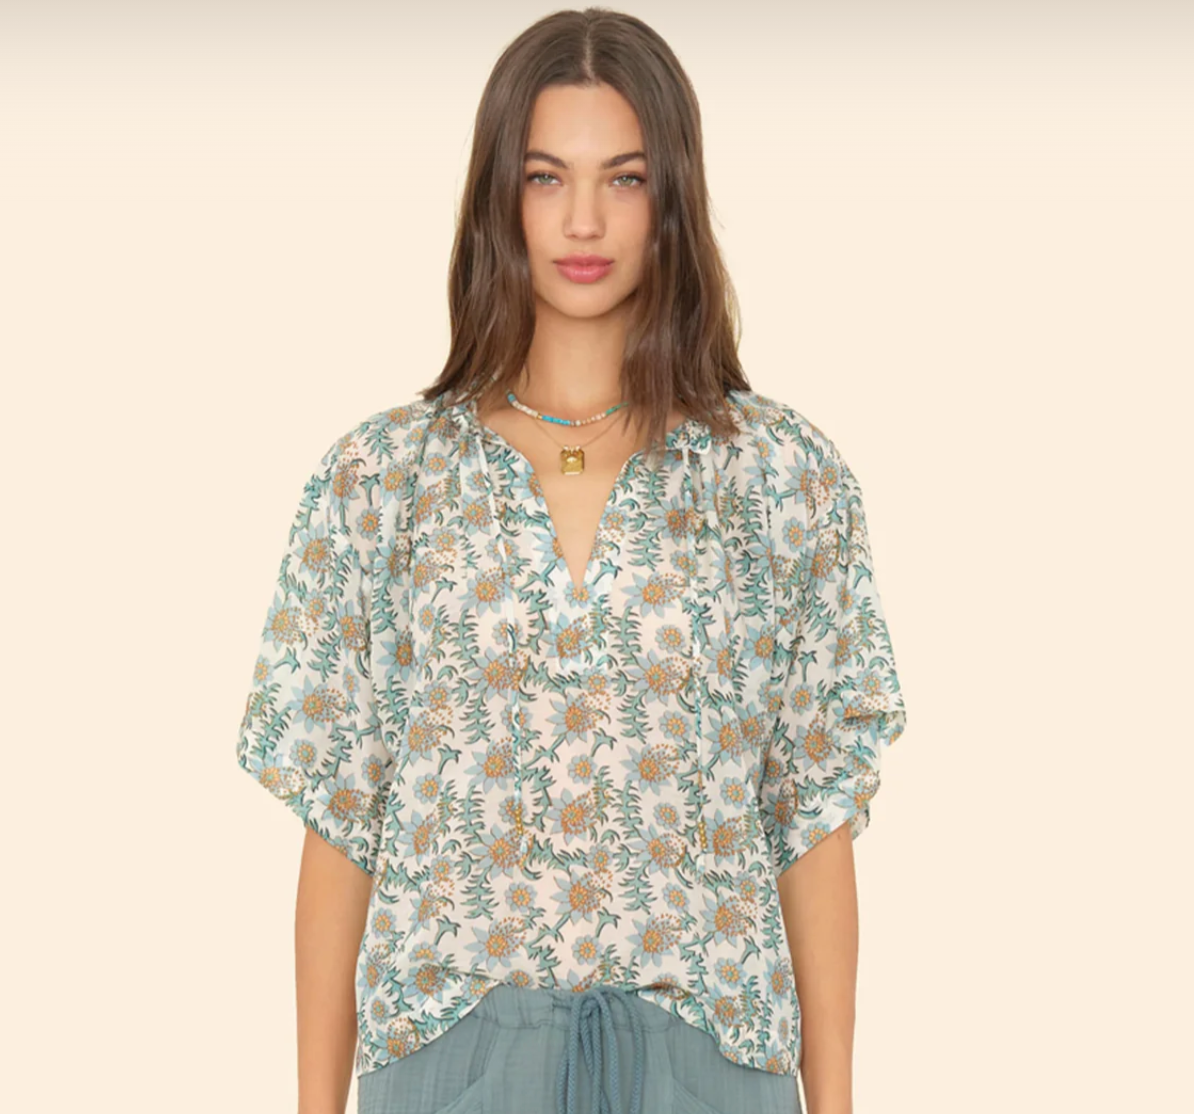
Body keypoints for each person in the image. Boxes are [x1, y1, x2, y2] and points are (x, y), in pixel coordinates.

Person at [235, 9, 907, 1114]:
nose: (584, 219)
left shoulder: (780, 477)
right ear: (498, 197)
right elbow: (342, 820)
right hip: (454, 1061)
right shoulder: (382, 480)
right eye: (546, 177)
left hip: (709, 1063)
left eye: (624, 179)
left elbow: (812, 819)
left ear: (672, 198)